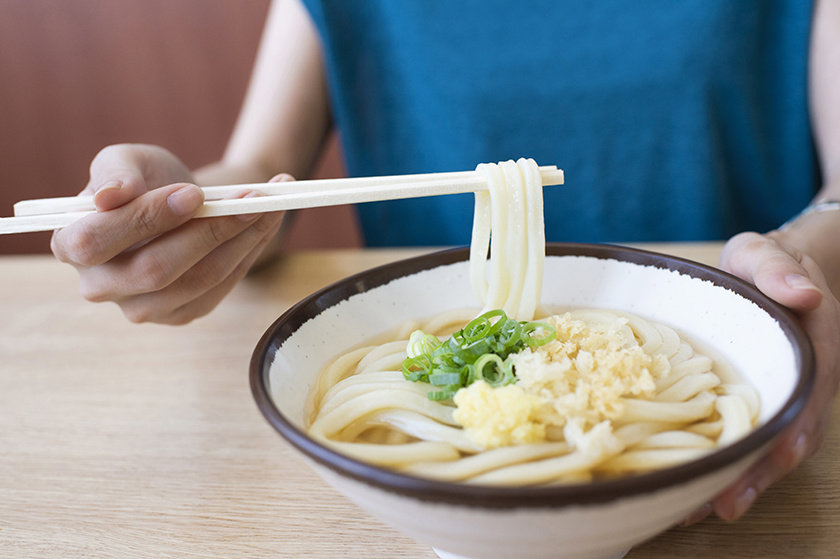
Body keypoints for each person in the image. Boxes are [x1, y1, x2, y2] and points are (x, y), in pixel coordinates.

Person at [49, 0, 840, 527]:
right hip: (422, 402)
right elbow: (262, 171)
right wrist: (191, 209)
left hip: (724, 378)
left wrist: (812, 250)